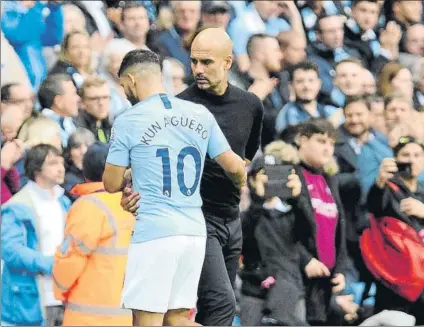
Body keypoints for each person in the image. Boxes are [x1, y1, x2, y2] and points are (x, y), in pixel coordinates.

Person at [121, 28, 264, 326]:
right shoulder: (180, 107)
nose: (197, 69)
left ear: (228, 62)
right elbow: (147, 164)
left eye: (206, 62)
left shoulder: (250, 105)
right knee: (222, 302)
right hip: (195, 219)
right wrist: (135, 193)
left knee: (212, 309)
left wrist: (245, 181)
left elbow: (245, 159)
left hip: (231, 218)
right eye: (194, 61)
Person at [52, 143, 134, 326]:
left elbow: (70, 260)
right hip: (128, 317)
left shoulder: (89, 207)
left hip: (88, 318)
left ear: (86, 172)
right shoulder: (135, 204)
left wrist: (59, 292)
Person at [1, 144, 71, 326]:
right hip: (30, 297)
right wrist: (49, 264)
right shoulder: (17, 205)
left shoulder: (63, 201)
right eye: (53, 163)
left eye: (62, 162)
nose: (61, 168)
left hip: (63, 294)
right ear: (37, 169)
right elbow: (10, 249)